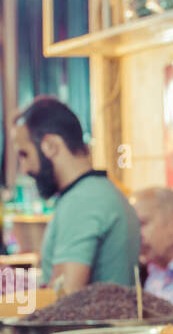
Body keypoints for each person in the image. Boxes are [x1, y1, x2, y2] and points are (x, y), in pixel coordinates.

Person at [12, 96, 139, 294]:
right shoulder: (96, 191)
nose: (24, 168)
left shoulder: (83, 200)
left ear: (51, 146)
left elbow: (64, 297)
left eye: (24, 154)